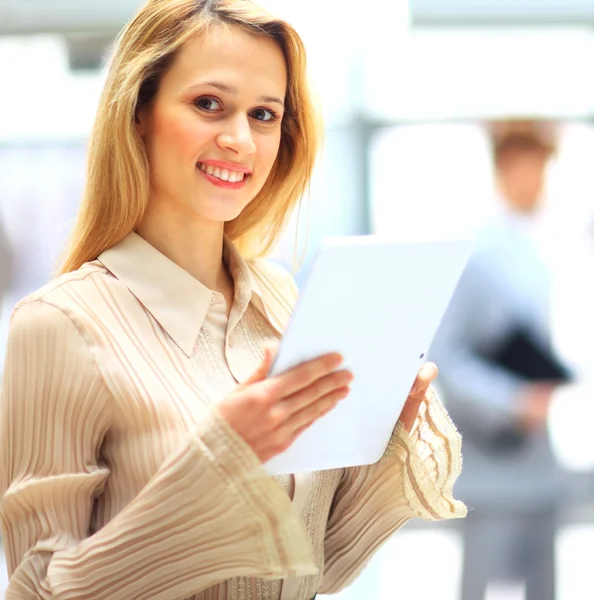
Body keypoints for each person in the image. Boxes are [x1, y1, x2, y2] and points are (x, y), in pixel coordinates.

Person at [0, 1, 466, 599]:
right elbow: (37, 591)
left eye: (265, 114)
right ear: (138, 112)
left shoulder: (280, 302)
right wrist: (219, 464)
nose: (240, 140)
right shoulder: (60, 325)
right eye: (208, 104)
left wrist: (379, 434)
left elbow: (310, 567)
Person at [429, 120, 572, 600]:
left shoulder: (540, 243)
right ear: (507, 168)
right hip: (492, 451)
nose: (539, 184)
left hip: (539, 454)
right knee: (481, 582)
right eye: (532, 171)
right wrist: (513, 400)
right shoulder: (477, 252)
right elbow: (446, 353)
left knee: (542, 582)